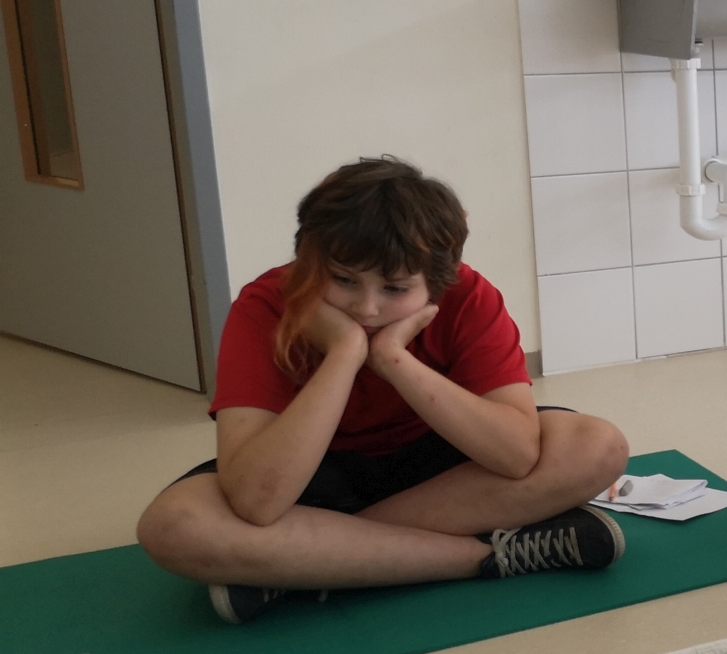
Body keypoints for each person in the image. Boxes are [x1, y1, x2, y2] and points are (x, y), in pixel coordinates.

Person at [137, 158, 630, 624]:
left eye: (395, 289)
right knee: (176, 526)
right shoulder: (265, 305)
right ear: (309, 262)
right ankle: (483, 557)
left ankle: (308, 563)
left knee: (597, 445)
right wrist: (346, 352)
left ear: (438, 282)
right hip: (310, 479)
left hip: (442, 472)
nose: (366, 308)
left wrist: (393, 359)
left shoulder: (470, 296)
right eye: (342, 279)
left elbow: (515, 456)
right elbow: (257, 502)